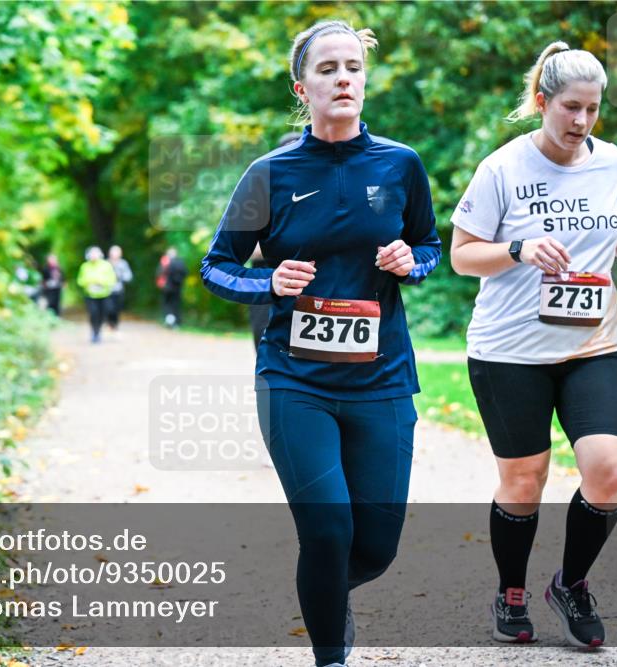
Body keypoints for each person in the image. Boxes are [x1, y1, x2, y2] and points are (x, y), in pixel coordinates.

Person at [200, 20, 441, 667]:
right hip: (294, 380)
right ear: (301, 88)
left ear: (365, 80)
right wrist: (268, 281)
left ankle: (327, 591)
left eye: (353, 68)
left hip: (382, 379)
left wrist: (410, 262)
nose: (343, 79)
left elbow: (429, 244)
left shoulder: (400, 164)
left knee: (376, 547)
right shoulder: (269, 174)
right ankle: (331, 654)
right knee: (328, 529)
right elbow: (216, 266)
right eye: (328, 69)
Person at [450, 41, 617, 648]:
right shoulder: (502, 169)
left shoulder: (611, 162)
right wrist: (519, 249)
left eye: (593, 109)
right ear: (543, 102)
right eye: (571, 107)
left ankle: (571, 584)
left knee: (610, 470)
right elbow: (463, 255)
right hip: (509, 351)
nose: (582, 121)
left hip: (594, 345)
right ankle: (511, 591)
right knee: (524, 483)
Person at [248, 132, 302, 352]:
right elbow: (246, 249)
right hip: (266, 281)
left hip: (307, 284)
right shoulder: (260, 194)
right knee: (264, 341)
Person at [76, 246, 117, 343]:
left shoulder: (106, 265)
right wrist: (88, 283)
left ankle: (98, 331)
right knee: (93, 313)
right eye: (92, 254)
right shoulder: (85, 266)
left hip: (104, 295)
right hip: (90, 295)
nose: (94, 256)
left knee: (103, 314)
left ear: (100, 254)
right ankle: (95, 332)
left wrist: (101, 282)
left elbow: (112, 279)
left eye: (95, 253)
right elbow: (80, 280)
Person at [157, 247, 187, 328]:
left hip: (167, 287)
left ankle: (169, 320)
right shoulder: (181, 262)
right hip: (177, 287)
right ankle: (176, 322)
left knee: (167, 304)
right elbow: (185, 273)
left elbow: (159, 273)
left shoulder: (165, 261)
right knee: (176, 304)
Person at [106, 245, 133, 331]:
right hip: (107, 290)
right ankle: (109, 322)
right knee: (109, 308)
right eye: (113, 253)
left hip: (119, 290)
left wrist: (121, 277)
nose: (115, 255)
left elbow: (129, 276)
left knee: (117, 308)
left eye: (117, 253)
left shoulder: (123, 263)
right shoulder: (106, 263)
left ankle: (115, 323)